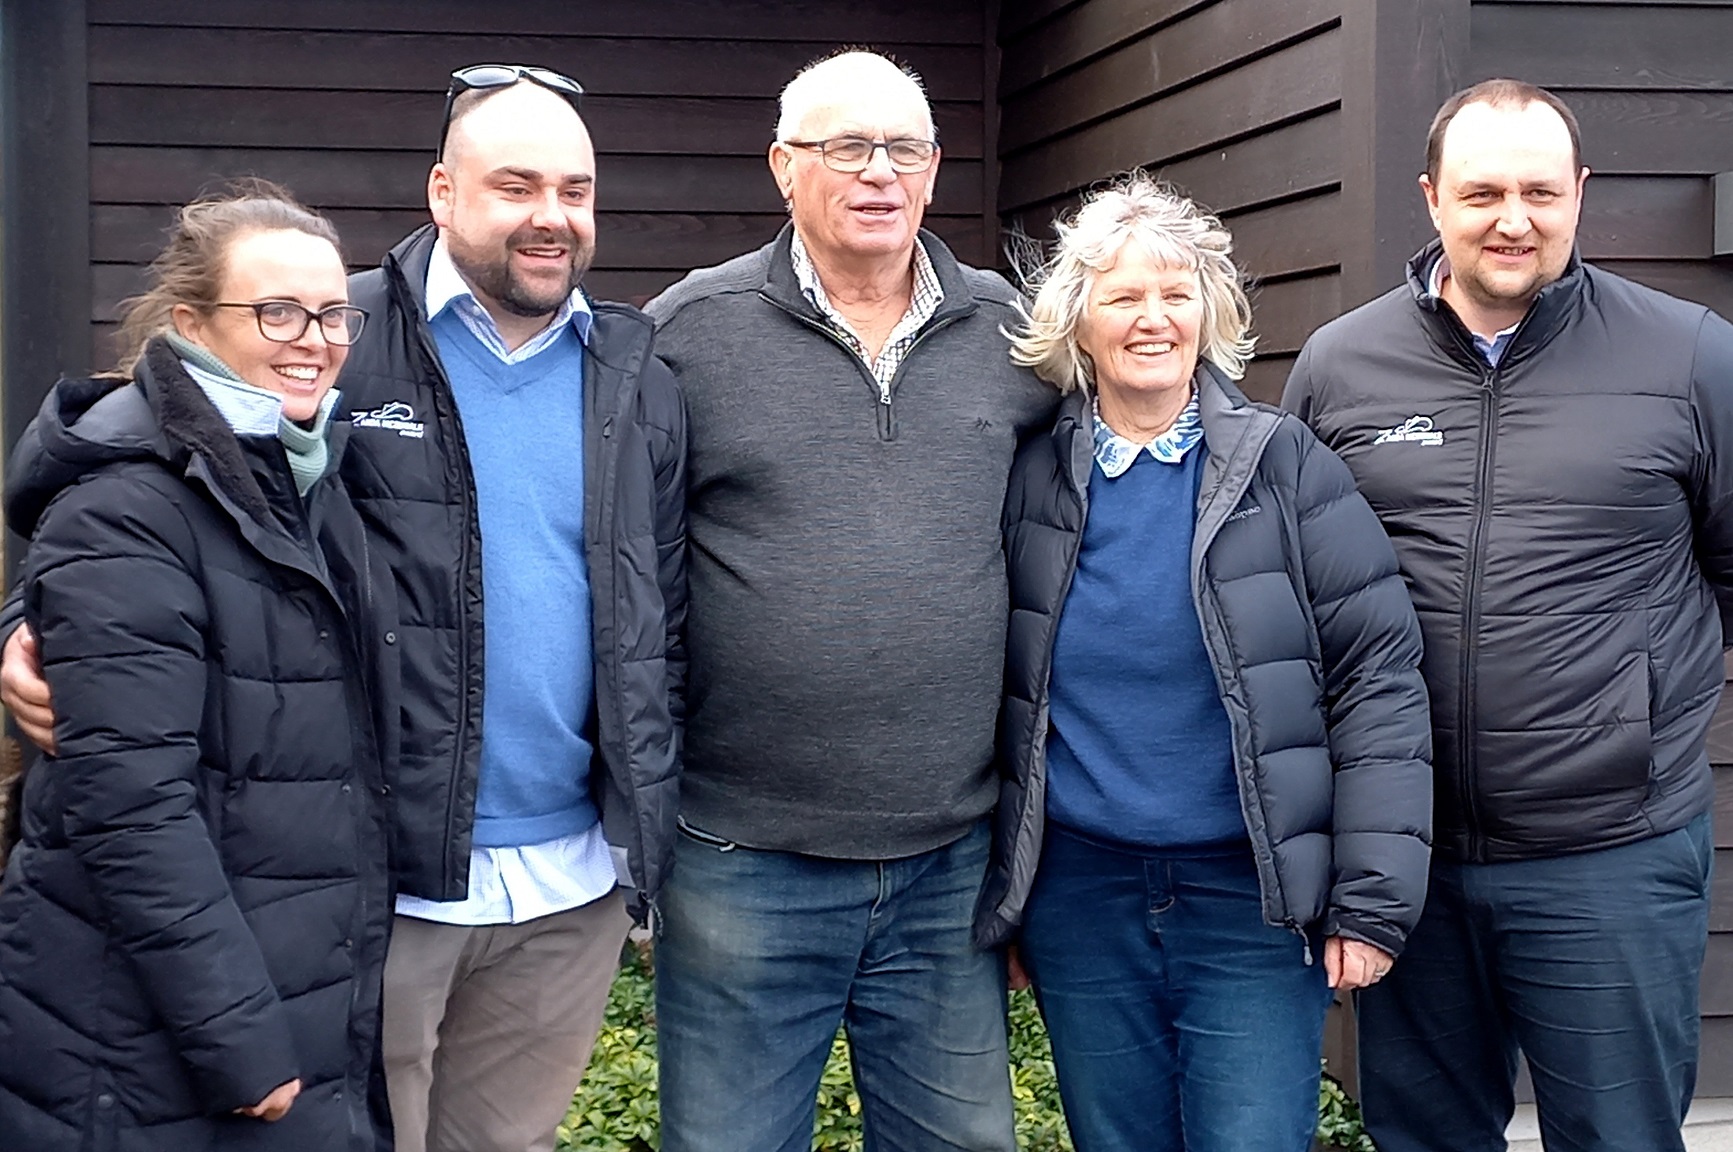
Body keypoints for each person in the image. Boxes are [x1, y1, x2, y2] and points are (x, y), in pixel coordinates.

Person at [1, 65, 687, 1152]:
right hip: (385, 884)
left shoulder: (633, 366)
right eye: (515, 185)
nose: (550, 215)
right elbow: (138, 475)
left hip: (567, 886)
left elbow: (666, 601)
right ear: (441, 192)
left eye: (575, 188)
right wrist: (23, 638)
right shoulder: (334, 336)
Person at [1283, 78, 1733, 1152]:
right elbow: (1294, 603)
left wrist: (1635, 713)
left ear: (1579, 195)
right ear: (1431, 198)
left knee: (1618, 1137)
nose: (1512, 220)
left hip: (1607, 855)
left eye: (1540, 190)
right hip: (1407, 860)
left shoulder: (1687, 357)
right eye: (1482, 191)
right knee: (1424, 1136)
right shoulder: (1339, 368)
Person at [643, 50, 1054, 1152]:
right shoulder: (688, 333)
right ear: (784, 167)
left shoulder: (1011, 334)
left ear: (931, 171)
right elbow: (629, 580)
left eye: (904, 149)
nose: (878, 173)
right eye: (844, 148)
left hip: (947, 866)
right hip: (741, 861)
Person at [977, 172, 1433, 1152]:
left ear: (1210, 311)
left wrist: (1370, 894)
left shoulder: (1284, 466)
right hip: (1080, 897)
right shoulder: (1026, 481)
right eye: (1123, 296)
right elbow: (998, 692)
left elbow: (1377, 677)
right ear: (1077, 321)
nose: (1152, 318)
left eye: (1175, 293)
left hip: (1250, 899)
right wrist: (1004, 893)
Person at [0, 185, 394, 1150]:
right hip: (147, 1033)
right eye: (276, 312)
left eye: (333, 313)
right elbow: (129, 811)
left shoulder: (296, 475)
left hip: (275, 990)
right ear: (188, 323)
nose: (314, 338)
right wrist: (240, 1041)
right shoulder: (127, 509)